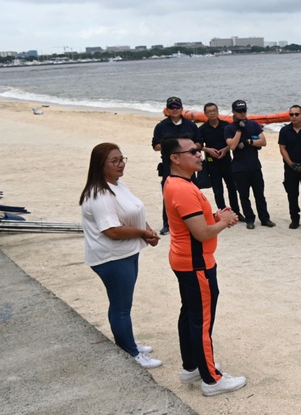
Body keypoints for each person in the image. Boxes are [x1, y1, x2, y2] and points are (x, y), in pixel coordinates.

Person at [160, 136, 246, 396]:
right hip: (196, 264)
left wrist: (216, 217)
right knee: (202, 320)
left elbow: (195, 222)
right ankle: (212, 379)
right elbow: (202, 233)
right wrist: (224, 221)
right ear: (175, 158)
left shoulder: (176, 182)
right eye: (193, 152)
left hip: (186, 259)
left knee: (190, 315)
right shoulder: (184, 189)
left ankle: (192, 366)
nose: (200, 155)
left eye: (199, 150)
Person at [80, 142, 162, 369]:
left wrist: (147, 232)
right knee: (121, 306)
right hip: (111, 257)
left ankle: (128, 342)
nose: (120, 164)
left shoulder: (116, 185)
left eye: (122, 159)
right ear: (100, 164)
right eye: (114, 161)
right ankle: (130, 351)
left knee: (124, 304)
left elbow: (132, 211)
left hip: (126, 253)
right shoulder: (99, 194)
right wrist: (142, 232)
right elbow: (112, 230)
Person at [152, 96, 199, 234]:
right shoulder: (161, 126)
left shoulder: (191, 125)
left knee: (193, 191)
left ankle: (195, 221)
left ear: (182, 109)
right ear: (167, 110)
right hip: (169, 164)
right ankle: (167, 224)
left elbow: (199, 143)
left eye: (177, 107)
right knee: (169, 194)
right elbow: (155, 145)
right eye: (171, 107)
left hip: (188, 165)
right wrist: (172, 148)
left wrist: (187, 148)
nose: (174, 110)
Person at [224, 99, 274, 229]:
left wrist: (248, 142)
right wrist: (239, 130)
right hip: (239, 168)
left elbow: (263, 141)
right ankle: (249, 219)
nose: (242, 113)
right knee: (244, 196)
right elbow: (233, 146)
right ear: (233, 112)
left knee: (260, 195)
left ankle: (265, 218)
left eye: (244, 110)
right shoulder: (229, 128)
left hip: (255, 166)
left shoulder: (253, 125)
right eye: (239, 111)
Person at [198, 102, 241, 221]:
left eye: (214, 110)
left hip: (226, 160)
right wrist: (208, 149)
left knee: (232, 187)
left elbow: (233, 142)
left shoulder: (226, 126)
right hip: (212, 162)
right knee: (218, 190)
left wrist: (226, 149)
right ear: (205, 114)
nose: (212, 113)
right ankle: (223, 213)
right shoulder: (202, 129)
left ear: (218, 111)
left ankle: (236, 212)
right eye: (209, 111)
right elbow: (197, 144)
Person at [278, 104, 301, 229]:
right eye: (291, 114)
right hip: (290, 168)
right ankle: (295, 219)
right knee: (292, 195)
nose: (294, 117)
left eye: (297, 114)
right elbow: (282, 148)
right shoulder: (285, 130)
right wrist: (291, 163)